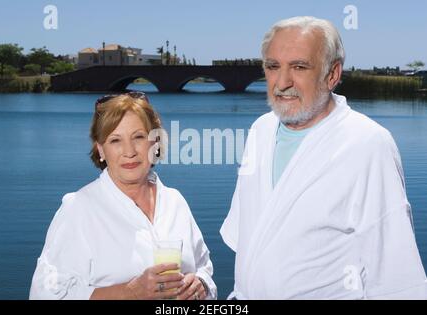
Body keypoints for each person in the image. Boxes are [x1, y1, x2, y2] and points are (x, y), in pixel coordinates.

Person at [220, 16, 427, 299]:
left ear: (332, 75)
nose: (282, 82)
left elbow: (395, 275)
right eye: (273, 67)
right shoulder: (261, 130)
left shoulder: (367, 144)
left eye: (299, 67)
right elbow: (250, 235)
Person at [30, 92, 217, 300]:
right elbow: (45, 294)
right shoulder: (79, 209)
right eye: (115, 140)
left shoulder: (175, 202)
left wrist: (201, 285)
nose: (129, 151)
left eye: (138, 137)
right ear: (101, 149)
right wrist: (130, 293)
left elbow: (204, 268)